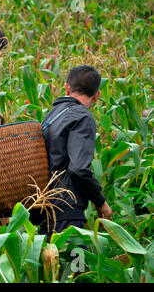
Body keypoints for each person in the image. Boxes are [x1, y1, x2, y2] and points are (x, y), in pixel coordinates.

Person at [38, 65, 112, 238]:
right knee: (74, 264)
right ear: (97, 96)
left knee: (51, 263)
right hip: (67, 210)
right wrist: (101, 202)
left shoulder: (51, 115)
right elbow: (79, 169)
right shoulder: (82, 117)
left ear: (67, 87)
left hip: (44, 206)